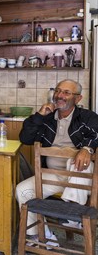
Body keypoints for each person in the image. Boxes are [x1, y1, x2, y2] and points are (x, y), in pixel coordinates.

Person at [16, 79, 98, 244]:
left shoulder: (87, 117)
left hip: (81, 178)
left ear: (78, 98)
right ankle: (40, 236)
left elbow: (96, 133)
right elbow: (25, 138)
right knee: (22, 190)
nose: (60, 95)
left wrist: (87, 149)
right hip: (52, 176)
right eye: (58, 91)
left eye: (66, 92)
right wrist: (39, 116)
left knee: (75, 162)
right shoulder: (46, 119)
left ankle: (73, 214)